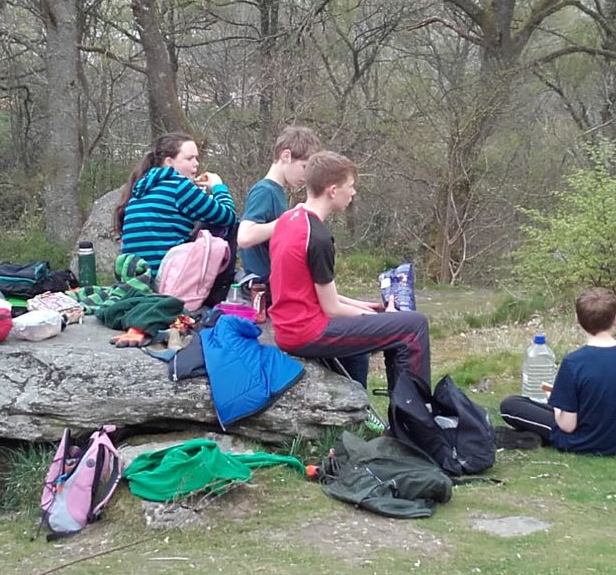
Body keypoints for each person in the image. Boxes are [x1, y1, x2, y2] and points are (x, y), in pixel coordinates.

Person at [268, 151, 430, 390]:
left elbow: (308, 290)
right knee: (413, 326)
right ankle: (413, 417)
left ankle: (360, 411)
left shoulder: (288, 220)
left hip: (288, 326)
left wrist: (363, 307)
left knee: (377, 330)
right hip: (306, 332)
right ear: (333, 190)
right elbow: (331, 308)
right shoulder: (318, 237)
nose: (353, 193)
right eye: (350, 186)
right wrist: (382, 319)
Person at [497, 287, 616, 456]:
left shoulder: (574, 362)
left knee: (510, 405)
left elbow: (567, 425)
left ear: (577, 320)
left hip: (582, 442)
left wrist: (556, 404)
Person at [114, 131, 240, 274]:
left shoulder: (141, 187)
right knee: (225, 224)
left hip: (137, 276)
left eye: (196, 158)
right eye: (189, 159)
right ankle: (221, 289)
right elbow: (229, 216)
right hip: (166, 277)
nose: (196, 164)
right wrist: (218, 187)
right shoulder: (179, 186)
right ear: (169, 162)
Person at [236, 125, 322, 294]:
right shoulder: (264, 191)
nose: (306, 177)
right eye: (304, 167)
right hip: (261, 288)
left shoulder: (277, 192)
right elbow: (245, 237)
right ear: (286, 156)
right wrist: (290, 218)